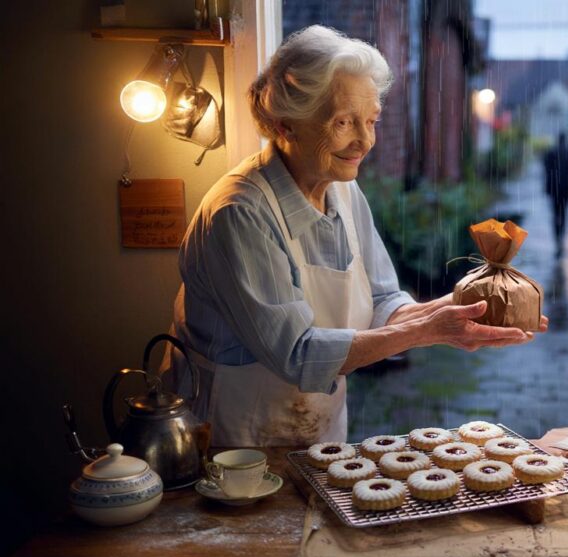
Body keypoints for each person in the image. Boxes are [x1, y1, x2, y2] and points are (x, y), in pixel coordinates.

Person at [168, 26, 547, 448]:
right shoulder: (240, 213)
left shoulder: (341, 189)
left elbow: (382, 300)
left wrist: (456, 309)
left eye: (371, 121)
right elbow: (298, 354)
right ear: (287, 125)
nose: (365, 141)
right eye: (344, 122)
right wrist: (428, 331)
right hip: (233, 439)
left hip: (315, 428)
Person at [542, 132, 568, 257]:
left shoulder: (551, 153)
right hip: (566, 189)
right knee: (563, 213)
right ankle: (561, 235)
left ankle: (557, 236)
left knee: (555, 213)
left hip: (554, 190)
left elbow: (546, 170)